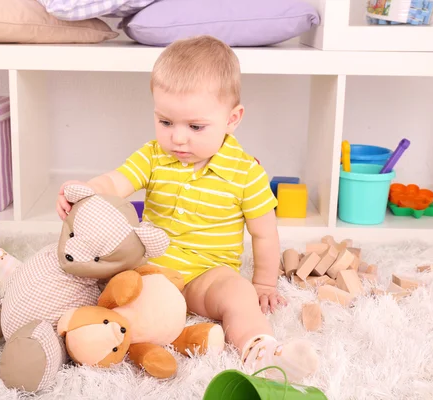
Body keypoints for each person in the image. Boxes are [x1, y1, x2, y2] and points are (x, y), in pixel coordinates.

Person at [56, 35, 318, 382]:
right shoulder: (153, 156)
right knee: (89, 275)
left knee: (239, 294)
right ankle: (68, 328)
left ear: (232, 118)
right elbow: (116, 182)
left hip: (206, 276)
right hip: (147, 270)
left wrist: (265, 284)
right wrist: (87, 191)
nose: (178, 138)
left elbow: (264, 233)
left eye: (195, 127)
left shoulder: (246, 172)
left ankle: (260, 349)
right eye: (166, 122)